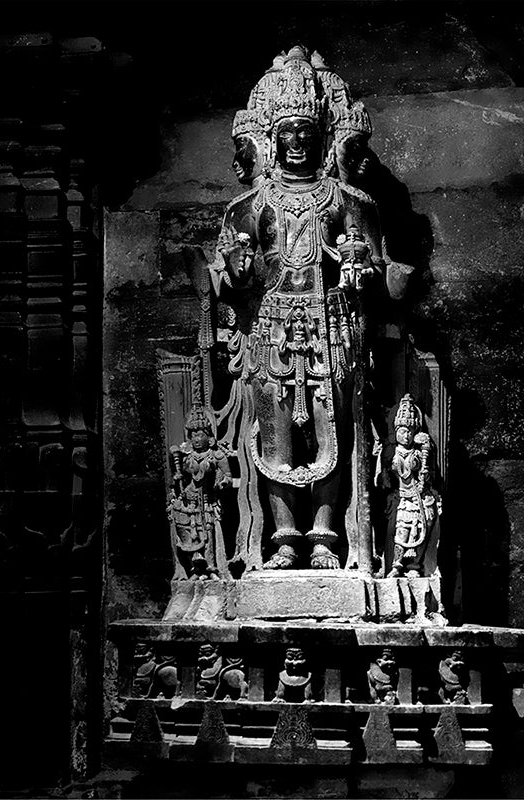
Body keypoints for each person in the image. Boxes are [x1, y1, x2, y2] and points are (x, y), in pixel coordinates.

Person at [211, 46, 389, 570]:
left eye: (305, 134)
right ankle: (284, 536)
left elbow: (384, 279)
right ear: (270, 139)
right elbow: (226, 284)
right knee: (276, 427)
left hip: (332, 326)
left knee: (333, 426)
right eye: (286, 133)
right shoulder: (249, 206)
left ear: (323, 137)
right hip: (271, 329)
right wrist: (236, 271)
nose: (295, 144)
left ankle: (326, 534)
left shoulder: (349, 202)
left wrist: (361, 270)